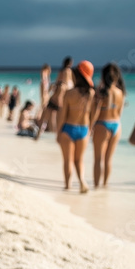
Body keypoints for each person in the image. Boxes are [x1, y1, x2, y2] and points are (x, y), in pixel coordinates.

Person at [56, 61, 95, 194]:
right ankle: (82, 182)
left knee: (68, 160)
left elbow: (62, 115)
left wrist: (58, 132)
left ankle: (68, 186)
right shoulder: (92, 94)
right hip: (84, 129)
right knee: (79, 160)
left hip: (68, 129)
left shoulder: (69, 93)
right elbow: (92, 115)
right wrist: (90, 129)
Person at [92, 63, 125, 189]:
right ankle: (105, 186)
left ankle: (96, 187)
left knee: (97, 159)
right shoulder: (120, 92)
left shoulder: (100, 92)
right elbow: (120, 113)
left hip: (102, 124)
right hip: (116, 125)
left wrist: (90, 126)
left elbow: (96, 112)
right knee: (108, 160)